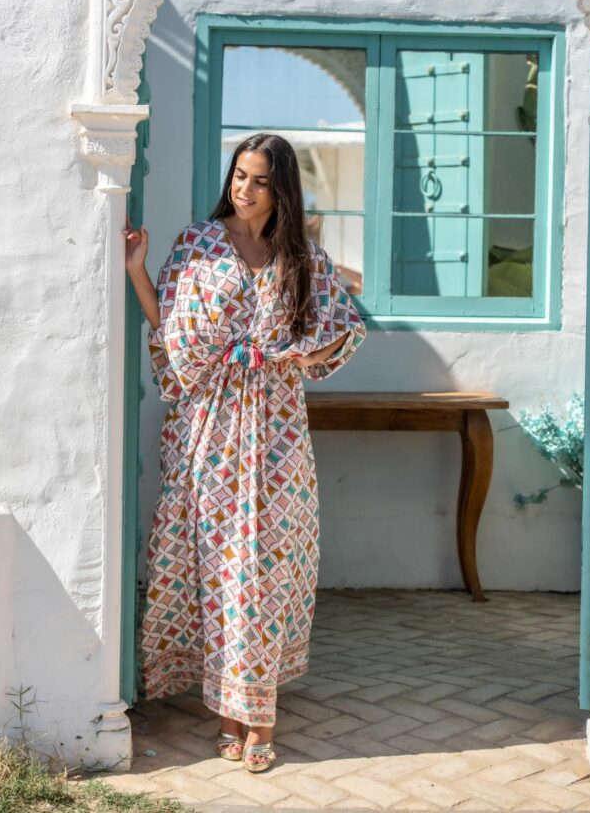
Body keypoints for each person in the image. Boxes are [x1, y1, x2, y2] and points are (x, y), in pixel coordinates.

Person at [124, 132, 366, 773]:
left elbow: (345, 328)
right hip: (206, 430)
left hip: (279, 433)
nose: (245, 188)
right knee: (219, 570)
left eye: (260, 179)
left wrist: (291, 355)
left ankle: (258, 717)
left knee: (264, 566)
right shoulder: (198, 245)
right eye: (239, 174)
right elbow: (170, 331)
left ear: (281, 187)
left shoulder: (301, 256)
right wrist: (137, 273)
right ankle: (230, 713)